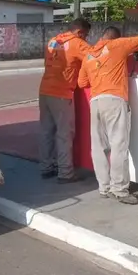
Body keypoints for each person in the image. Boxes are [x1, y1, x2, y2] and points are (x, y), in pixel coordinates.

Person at [78, 26, 138, 204]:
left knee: (98, 147)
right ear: (116, 37)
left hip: (95, 103)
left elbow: (82, 82)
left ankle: (104, 187)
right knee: (118, 145)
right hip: (114, 100)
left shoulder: (88, 54)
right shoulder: (117, 45)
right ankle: (119, 190)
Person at [38, 18, 92, 183]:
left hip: (44, 91)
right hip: (61, 94)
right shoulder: (77, 43)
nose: (85, 39)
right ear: (80, 32)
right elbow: (95, 57)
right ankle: (66, 173)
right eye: (85, 35)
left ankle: (46, 168)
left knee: (46, 131)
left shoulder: (53, 41)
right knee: (64, 134)